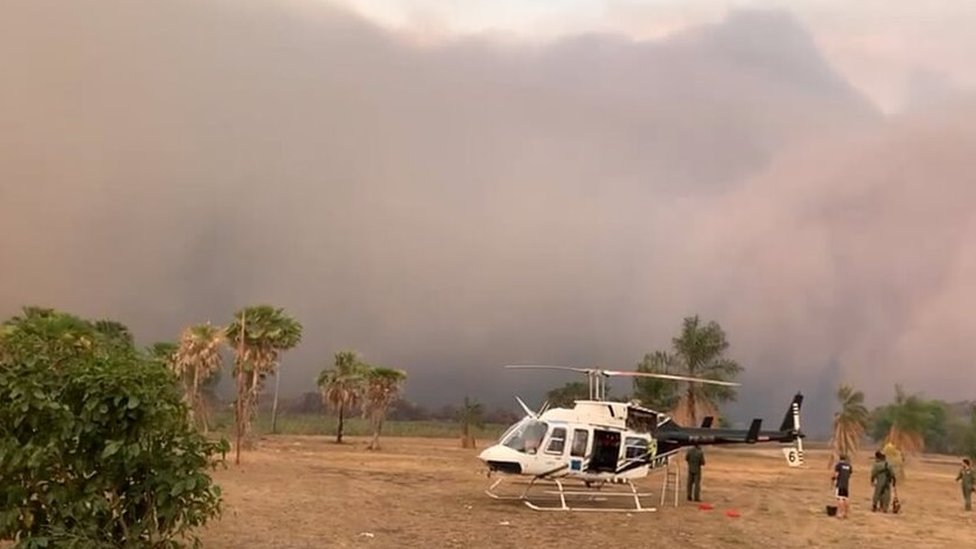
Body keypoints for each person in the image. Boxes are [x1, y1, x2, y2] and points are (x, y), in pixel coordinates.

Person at [832, 454, 853, 519]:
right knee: (845, 498)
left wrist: (833, 479)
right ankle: (846, 513)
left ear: (840, 458)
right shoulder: (849, 466)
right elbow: (849, 474)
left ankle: (840, 514)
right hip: (846, 484)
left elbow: (836, 474)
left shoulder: (839, 465)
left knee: (840, 498)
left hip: (840, 484)